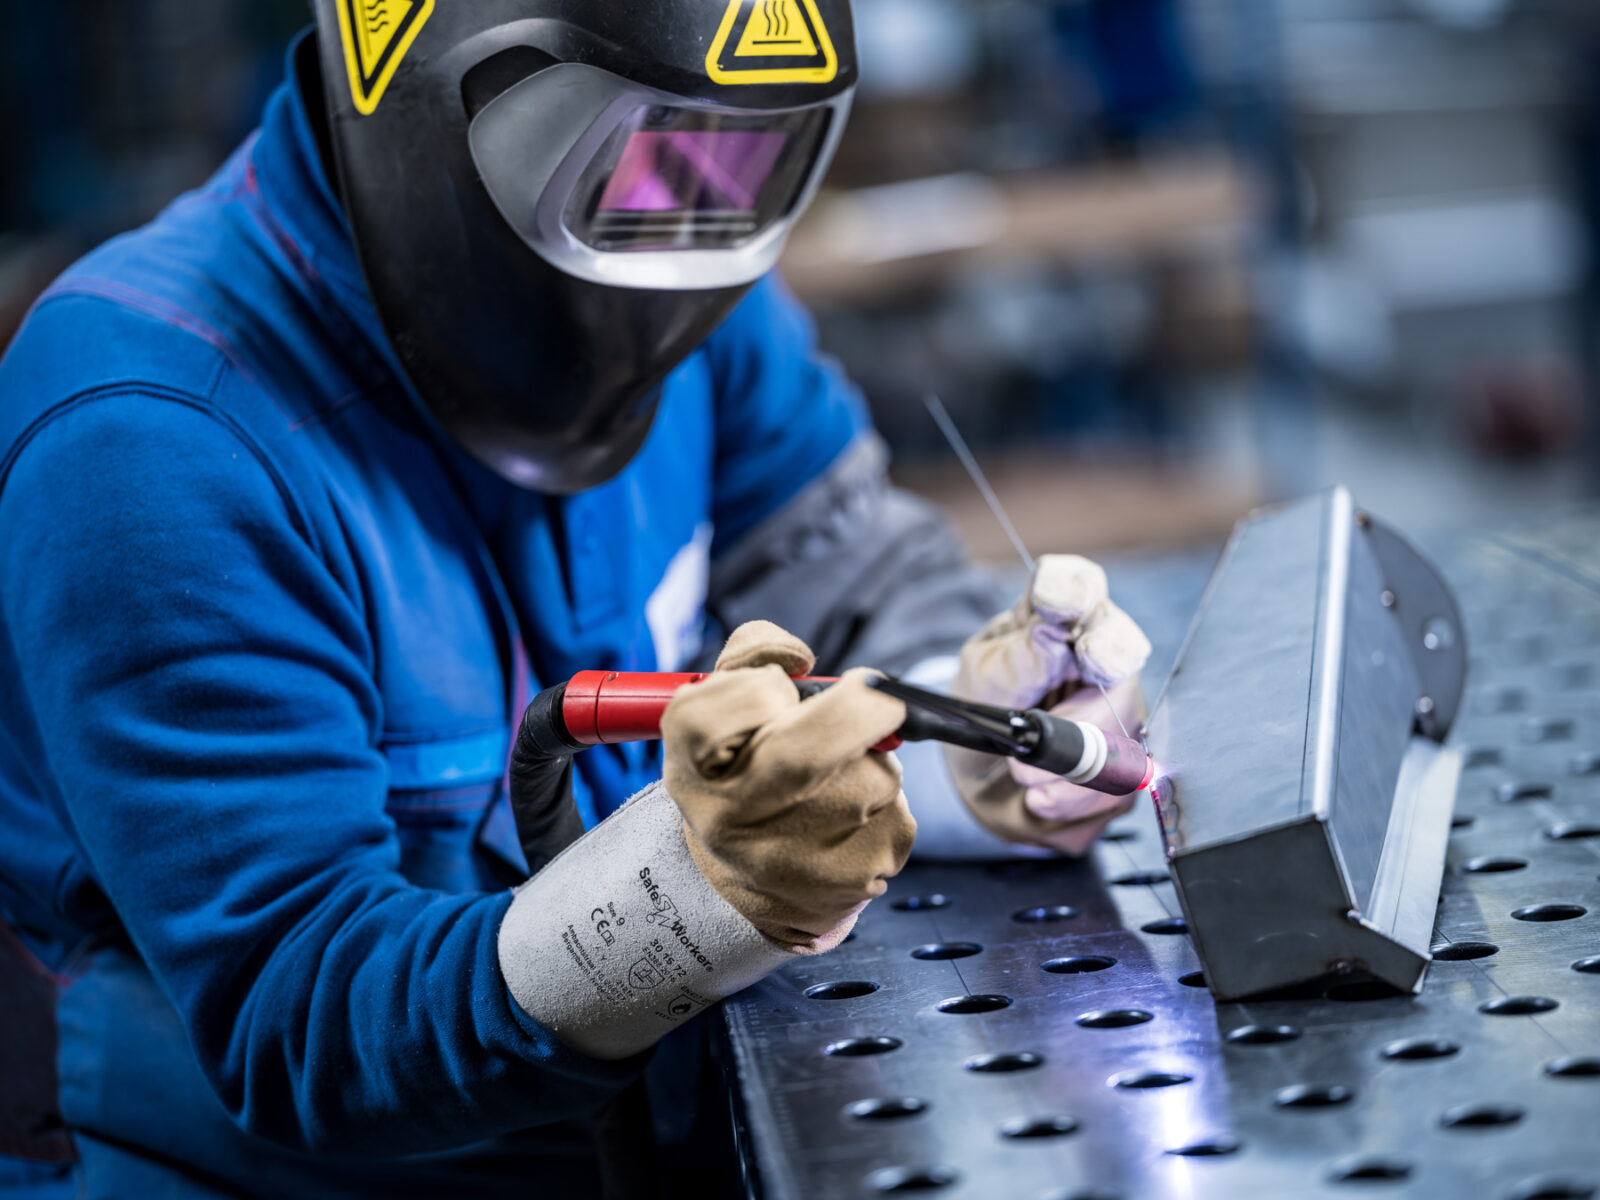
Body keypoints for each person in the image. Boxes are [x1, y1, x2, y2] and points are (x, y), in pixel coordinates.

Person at [0, 2, 1150, 1196]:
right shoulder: (149, 438)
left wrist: (968, 739)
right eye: (642, 153)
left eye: (745, 154)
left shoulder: (692, 256)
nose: (696, 199)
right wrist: (689, 899)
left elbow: (860, 586)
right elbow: (303, 1020)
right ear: (449, 91)